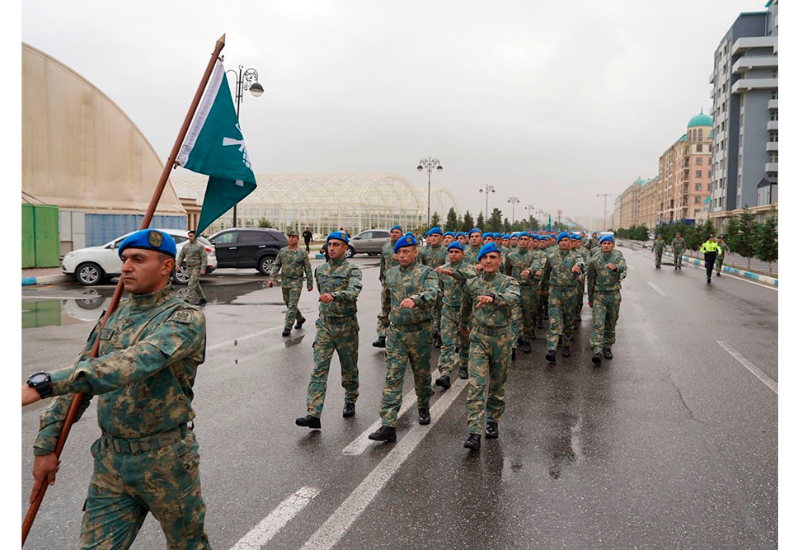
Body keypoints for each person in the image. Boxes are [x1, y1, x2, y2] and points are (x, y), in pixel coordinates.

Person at [22, 229, 210, 548]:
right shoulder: (113, 316)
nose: (126, 267)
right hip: (111, 463)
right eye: (124, 259)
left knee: (188, 545)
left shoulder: (185, 319)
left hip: (166, 461)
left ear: (166, 267)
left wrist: (48, 383)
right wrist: (46, 446)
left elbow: (131, 364)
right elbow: (80, 387)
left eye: (138, 259)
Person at [368, 235, 438, 443]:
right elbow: (386, 302)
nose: (401, 255)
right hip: (397, 332)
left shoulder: (427, 273)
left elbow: (433, 293)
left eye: (406, 251)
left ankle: (424, 405)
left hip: (420, 332)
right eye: (399, 252)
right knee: (393, 376)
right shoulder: (391, 275)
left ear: (415, 252)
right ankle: (388, 424)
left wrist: (415, 299)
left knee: (422, 373)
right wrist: (383, 325)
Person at [296, 231, 363, 429]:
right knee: (319, 369)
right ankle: (313, 414)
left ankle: (350, 399)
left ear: (345, 248)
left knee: (349, 368)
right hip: (325, 325)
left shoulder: (353, 270)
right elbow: (320, 291)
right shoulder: (321, 270)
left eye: (336, 245)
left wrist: (335, 296)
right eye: (330, 244)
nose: (332, 248)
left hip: (346, 326)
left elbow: (354, 291)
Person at [460, 242, 520, 450]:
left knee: (497, 383)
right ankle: (474, 432)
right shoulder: (472, 284)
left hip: (501, 339)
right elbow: (465, 308)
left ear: (500, 260)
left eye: (493, 257)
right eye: (485, 258)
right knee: (476, 384)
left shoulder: (508, 282)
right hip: (478, 338)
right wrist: (462, 326)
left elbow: (514, 297)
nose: (488, 261)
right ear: (480, 261)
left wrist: (494, 298)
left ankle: (493, 419)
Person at [434, 241, 477, 387]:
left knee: (465, 340)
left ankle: (464, 365)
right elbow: (440, 289)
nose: (453, 254)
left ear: (462, 254)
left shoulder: (469, 268)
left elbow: (470, 276)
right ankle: (445, 373)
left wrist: (453, 273)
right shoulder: (443, 270)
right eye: (451, 252)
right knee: (447, 343)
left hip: (465, 311)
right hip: (448, 311)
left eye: (456, 252)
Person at [539, 232, 584, 362]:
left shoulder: (576, 256)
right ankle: (552, 349)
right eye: (562, 240)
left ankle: (566, 344)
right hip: (555, 293)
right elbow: (545, 274)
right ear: (558, 242)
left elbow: (582, 263)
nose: (564, 242)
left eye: (566, 240)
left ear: (570, 242)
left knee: (569, 321)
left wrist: (578, 267)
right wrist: (543, 289)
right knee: (554, 321)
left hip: (570, 293)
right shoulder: (551, 256)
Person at [587, 235, 627, 366]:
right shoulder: (595, 259)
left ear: (613, 245)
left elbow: (623, 265)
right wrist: (590, 297)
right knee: (599, 323)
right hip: (599, 296)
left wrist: (617, 268)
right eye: (604, 243)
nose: (606, 245)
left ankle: (607, 347)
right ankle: (597, 351)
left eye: (609, 243)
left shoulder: (617, 255)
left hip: (614, 295)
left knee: (611, 322)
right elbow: (591, 280)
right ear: (600, 245)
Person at [268, 230, 313, 337]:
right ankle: (300, 319)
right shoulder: (283, 251)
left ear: (298, 239)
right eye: (290, 237)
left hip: (296, 282)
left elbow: (307, 268)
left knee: (292, 305)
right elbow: (276, 265)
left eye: (294, 237)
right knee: (288, 304)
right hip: (285, 281)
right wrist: (271, 278)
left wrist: (310, 283)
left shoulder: (302, 253)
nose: (291, 238)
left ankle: (287, 327)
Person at [373, 225, 403, 348]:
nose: (394, 234)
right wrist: (382, 279)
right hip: (388, 284)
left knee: (400, 310)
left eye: (397, 232)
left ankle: (399, 337)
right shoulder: (385, 248)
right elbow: (382, 264)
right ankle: (382, 336)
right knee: (385, 308)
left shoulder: (404, 248)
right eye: (392, 232)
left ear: (402, 234)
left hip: (402, 284)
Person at [506, 232, 535, 353]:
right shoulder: (511, 256)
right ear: (518, 241)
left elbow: (538, 271)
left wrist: (531, 273)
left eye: (525, 239)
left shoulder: (534, 256)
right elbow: (507, 272)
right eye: (521, 239)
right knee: (514, 318)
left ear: (529, 241)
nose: (523, 241)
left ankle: (527, 339)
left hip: (528, 290)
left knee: (527, 317)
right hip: (514, 290)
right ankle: (513, 345)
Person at [419, 226, 447, 348]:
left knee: (441, 309)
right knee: (428, 309)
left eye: (436, 236)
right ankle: (430, 333)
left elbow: (449, 263)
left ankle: (440, 335)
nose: (434, 238)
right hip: (429, 284)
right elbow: (420, 266)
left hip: (442, 284)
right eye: (432, 236)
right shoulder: (424, 251)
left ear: (441, 237)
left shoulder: (446, 251)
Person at [176, 230, 208, 306]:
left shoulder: (200, 246)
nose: (189, 238)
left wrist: (203, 268)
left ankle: (186, 300)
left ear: (195, 236)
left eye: (191, 236)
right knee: (195, 284)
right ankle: (202, 299)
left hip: (197, 267)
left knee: (191, 284)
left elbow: (204, 258)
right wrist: (178, 264)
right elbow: (181, 256)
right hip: (189, 267)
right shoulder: (186, 246)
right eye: (189, 236)